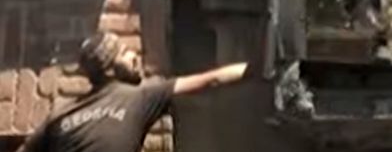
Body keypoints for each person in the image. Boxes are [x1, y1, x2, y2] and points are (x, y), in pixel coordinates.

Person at [18, 32, 249, 152]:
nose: (134, 56)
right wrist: (255, 69)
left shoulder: (60, 115)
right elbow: (212, 80)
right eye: (124, 52)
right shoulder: (138, 97)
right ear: (110, 66)